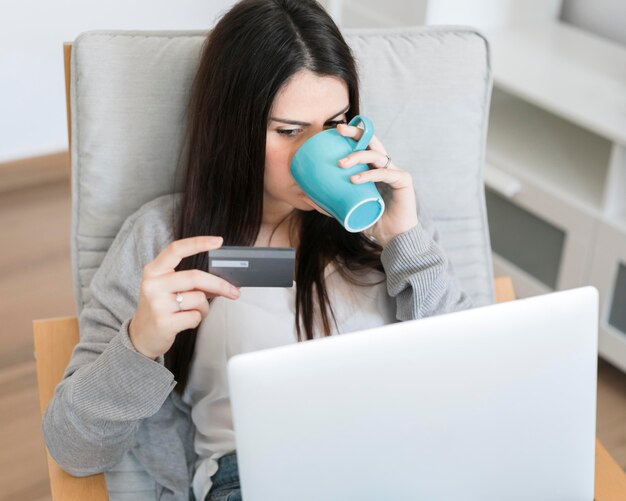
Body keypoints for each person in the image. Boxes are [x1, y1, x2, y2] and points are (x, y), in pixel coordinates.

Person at [42, 1, 472, 500]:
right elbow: (75, 449)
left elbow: (467, 384)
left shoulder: (393, 219)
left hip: (399, 465)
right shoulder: (167, 239)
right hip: (255, 477)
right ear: (235, 127)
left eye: (337, 124)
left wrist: (406, 242)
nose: (320, 150)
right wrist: (139, 344)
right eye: (289, 131)